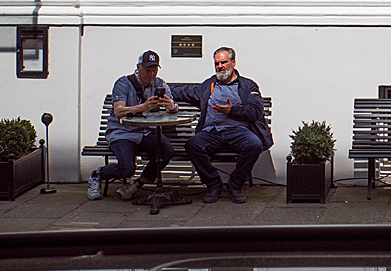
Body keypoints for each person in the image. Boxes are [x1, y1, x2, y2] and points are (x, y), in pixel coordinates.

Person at [171, 47, 273, 204]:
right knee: (192, 145)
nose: (220, 66)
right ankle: (213, 185)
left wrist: (231, 110)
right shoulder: (208, 85)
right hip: (212, 132)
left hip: (238, 131)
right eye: (217, 63)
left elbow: (255, 111)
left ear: (233, 62)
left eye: (223, 62)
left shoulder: (247, 86)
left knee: (254, 144)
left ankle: (235, 185)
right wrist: (160, 89)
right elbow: (185, 92)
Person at [88, 50, 176, 201]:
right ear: (138, 67)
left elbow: (174, 109)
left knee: (166, 150)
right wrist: (143, 107)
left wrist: (171, 106)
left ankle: (136, 184)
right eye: (148, 70)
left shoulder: (159, 84)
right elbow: (119, 111)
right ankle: (98, 174)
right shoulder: (123, 83)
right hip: (123, 132)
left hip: (147, 132)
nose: (151, 74)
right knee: (127, 169)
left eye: (154, 70)